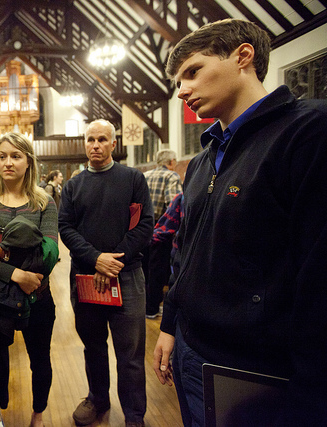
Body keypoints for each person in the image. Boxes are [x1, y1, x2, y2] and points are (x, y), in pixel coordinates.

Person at [152, 19, 327, 426]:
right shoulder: (199, 162)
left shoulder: (307, 132)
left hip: (259, 366)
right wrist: (170, 326)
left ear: (243, 56)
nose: (182, 91)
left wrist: (310, 392)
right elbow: (184, 251)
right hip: (193, 350)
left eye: (193, 72)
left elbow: (318, 277)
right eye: (179, 81)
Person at [58, 119, 153, 427]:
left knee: (130, 355)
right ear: (84, 144)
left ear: (114, 144)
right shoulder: (73, 185)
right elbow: (66, 228)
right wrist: (96, 259)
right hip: (87, 277)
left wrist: (113, 262)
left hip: (126, 277)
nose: (95, 145)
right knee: (94, 346)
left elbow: (144, 225)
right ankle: (98, 399)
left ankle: (134, 416)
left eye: (102, 139)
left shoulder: (133, 178)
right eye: (90, 139)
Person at [0, 132, 59, 427]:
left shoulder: (43, 203)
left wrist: (0, 252)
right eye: (2, 156)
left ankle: (38, 415)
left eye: (16, 156)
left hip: (37, 298)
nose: (8, 162)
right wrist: (16, 273)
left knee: (40, 360)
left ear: (29, 162)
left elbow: (49, 256)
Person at [142, 149, 182, 318]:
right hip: (160, 232)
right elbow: (173, 205)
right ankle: (151, 309)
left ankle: (142, 306)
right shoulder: (171, 177)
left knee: (143, 270)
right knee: (158, 271)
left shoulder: (143, 176)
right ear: (171, 162)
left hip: (142, 231)